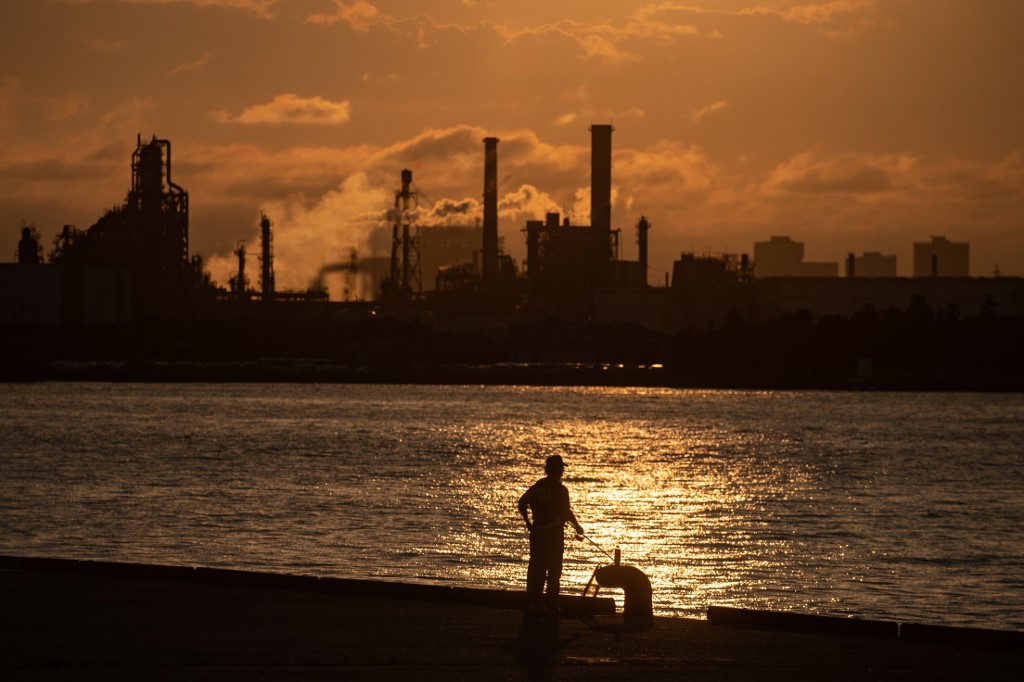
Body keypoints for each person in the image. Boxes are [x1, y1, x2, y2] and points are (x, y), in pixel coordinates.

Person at [518, 454, 584, 612]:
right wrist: (577, 526)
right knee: (554, 571)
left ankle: (533, 603)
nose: (562, 471)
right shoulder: (561, 490)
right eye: (561, 468)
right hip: (554, 534)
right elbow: (566, 512)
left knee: (537, 569)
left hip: (538, 533)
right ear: (557, 470)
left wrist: (528, 523)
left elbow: (522, 503)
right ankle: (551, 605)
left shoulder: (537, 487)